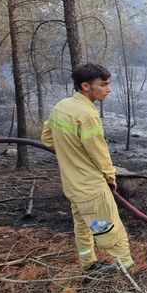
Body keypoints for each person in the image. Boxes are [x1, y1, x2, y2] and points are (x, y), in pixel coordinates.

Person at [41, 63, 134, 273]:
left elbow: (47, 138)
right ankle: (128, 276)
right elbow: (99, 153)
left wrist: (70, 152)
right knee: (110, 231)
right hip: (91, 188)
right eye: (103, 84)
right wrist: (111, 178)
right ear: (85, 86)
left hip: (73, 186)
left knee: (83, 226)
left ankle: (89, 266)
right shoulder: (88, 115)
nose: (108, 89)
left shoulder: (61, 106)